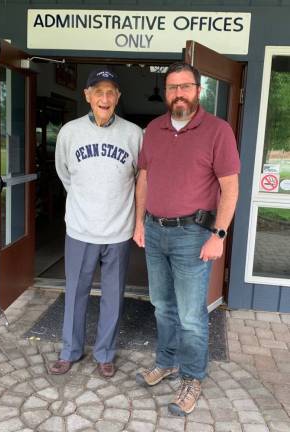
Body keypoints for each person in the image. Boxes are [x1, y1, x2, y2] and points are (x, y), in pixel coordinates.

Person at [133, 62, 240, 415]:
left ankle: (193, 376)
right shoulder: (153, 129)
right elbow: (144, 179)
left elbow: (230, 187)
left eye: (185, 86)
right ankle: (166, 362)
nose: (178, 93)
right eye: (172, 87)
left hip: (193, 236)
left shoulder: (218, 130)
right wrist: (139, 223)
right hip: (155, 230)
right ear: (166, 93)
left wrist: (219, 235)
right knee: (162, 307)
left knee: (192, 315)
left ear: (198, 90)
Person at [49, 67, 143, 378]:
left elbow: (140, 178)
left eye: (110, 92)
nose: (105, 97)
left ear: (118, 97)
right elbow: (66, 175)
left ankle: (105, 353)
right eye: (98, 92)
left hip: (118, 231)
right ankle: (70, 350)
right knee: (76, 292)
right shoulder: (69, 132)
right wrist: (85, 203)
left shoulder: (133, 134)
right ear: (87, 96)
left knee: (113, 297)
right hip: (80, 229)